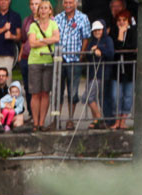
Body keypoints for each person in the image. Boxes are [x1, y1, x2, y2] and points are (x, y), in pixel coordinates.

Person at [54, 0, 91, 130]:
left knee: (73, 91)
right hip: (60, 59)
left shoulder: (83, 18)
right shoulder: (57, 18)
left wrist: (81, 54)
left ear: (75, 3)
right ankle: (56, 120)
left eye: (70, 2)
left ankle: (70, 119)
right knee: (58, 91)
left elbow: (86, 37)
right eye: (65, 2)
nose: (68, 5)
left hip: (74, 59)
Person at [27, 1, 59, 131]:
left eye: (46, 8)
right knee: (35, 93)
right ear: (38, 11)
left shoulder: (53, 24)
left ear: (50, 10)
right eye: (41, 8)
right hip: (35, 61)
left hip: (48, 61)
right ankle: (35, 122)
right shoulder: (33, 26)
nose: (44, 11)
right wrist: (47, 40)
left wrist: (41, 40)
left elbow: (56, 38)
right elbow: (32, 43)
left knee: (45, 92)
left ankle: (41, 122)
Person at [83, 20, 114, 128]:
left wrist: (100, 51)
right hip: (93, 73)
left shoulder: (108, 40)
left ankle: (100, 118)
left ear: (103, 29)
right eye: (95, 30)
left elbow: (110, 54)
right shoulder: (92, 41)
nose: (97, 32)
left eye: (99, 30)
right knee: (90, 97)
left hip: (103, 73)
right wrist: (92, 51)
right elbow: (87, 55)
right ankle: (97, 119)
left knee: (89, 97)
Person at [109, 10, 135, 129]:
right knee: (116, 95)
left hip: (129, 69)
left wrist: (123, 46)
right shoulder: (114, 32)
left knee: (128, 95)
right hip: (116, 69)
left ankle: (123, 120)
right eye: (119, 20)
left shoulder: (133, 32)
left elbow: (132, 47)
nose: (121, 22)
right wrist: (120, 34)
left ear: (128, 21)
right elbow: (115, 48)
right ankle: (117, 120)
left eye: (124, 20)